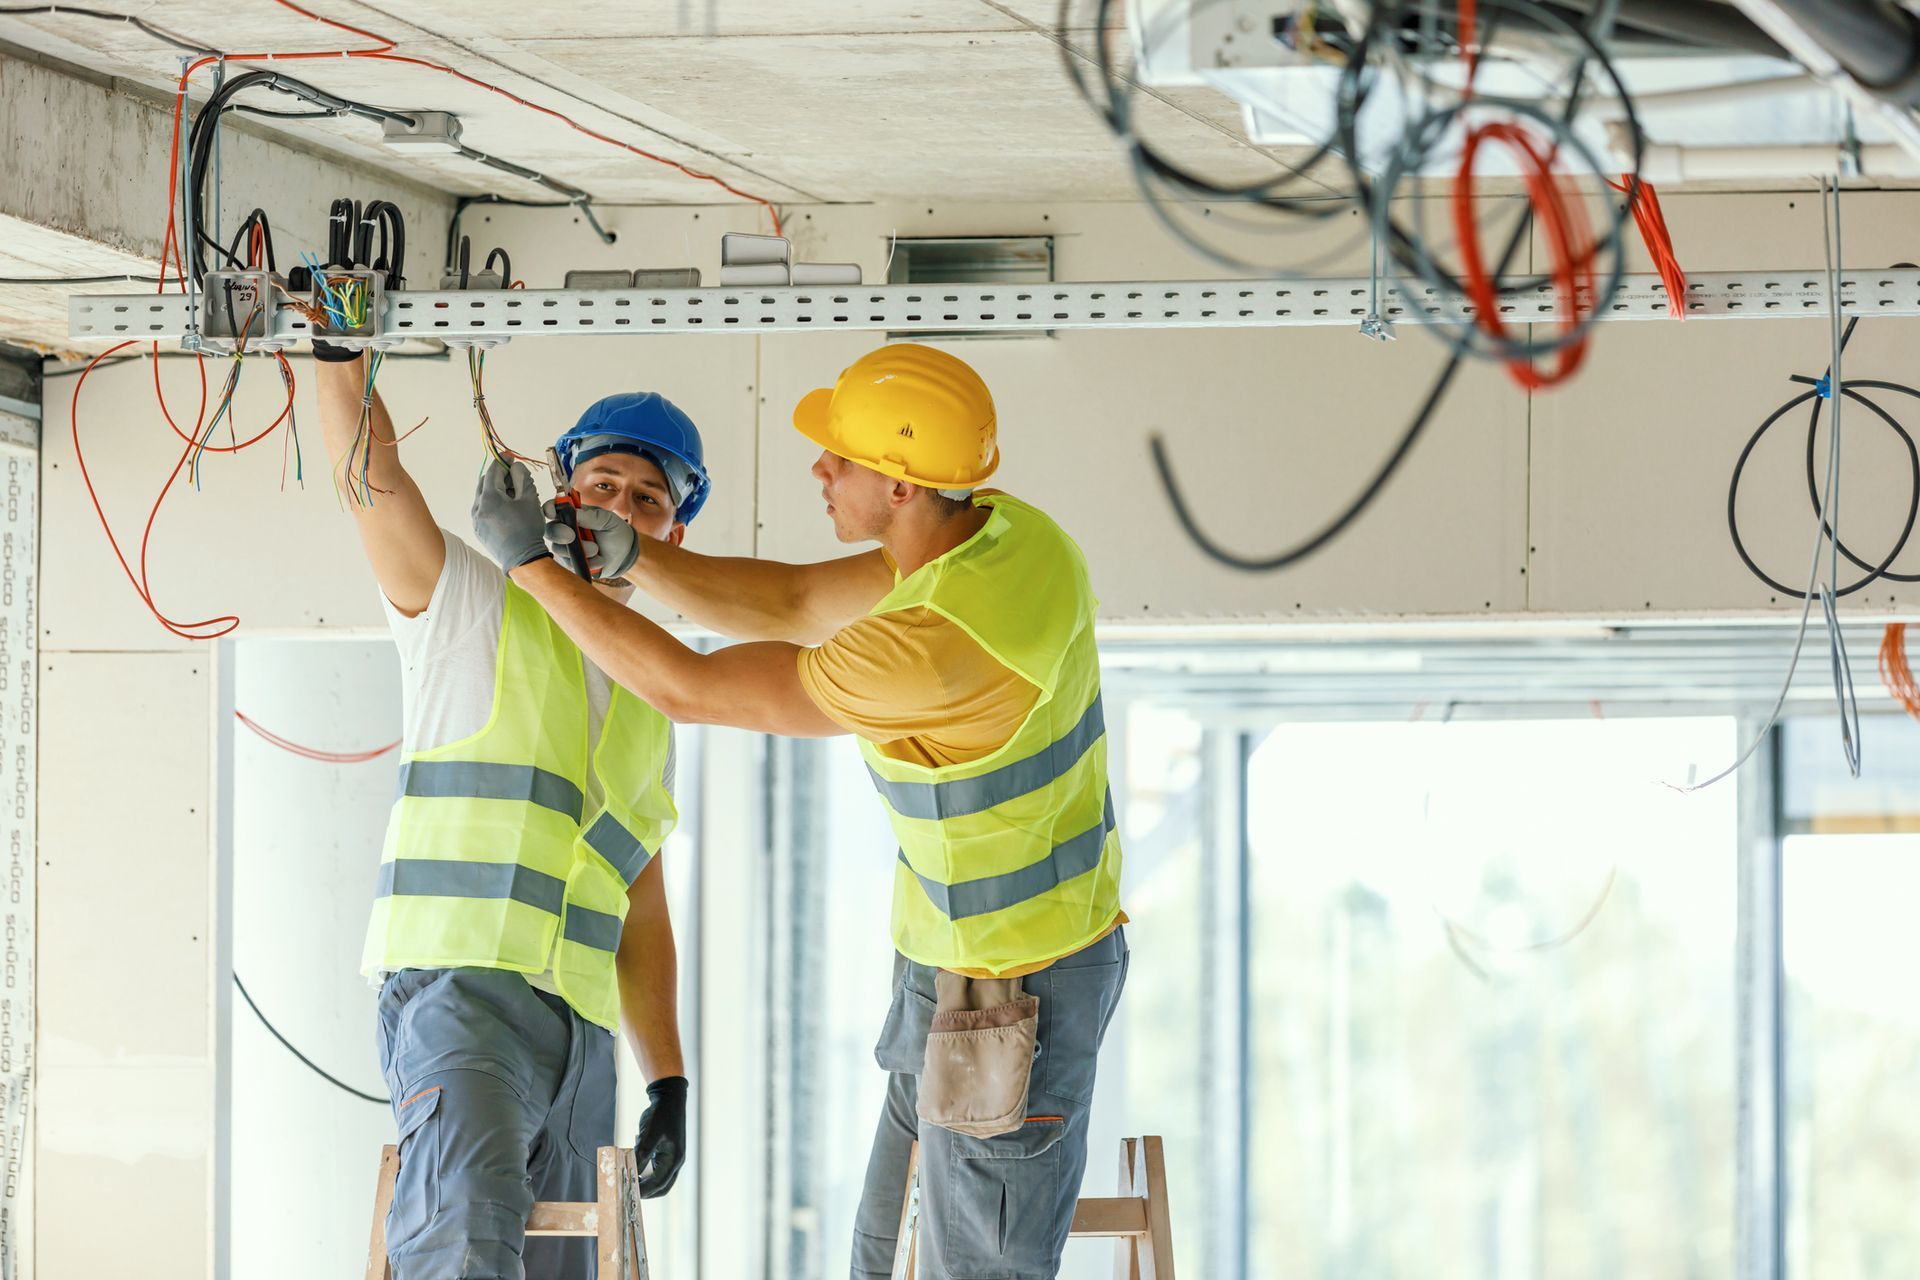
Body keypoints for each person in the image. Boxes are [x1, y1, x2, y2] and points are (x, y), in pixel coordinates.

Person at [469, 343, 1127, 1280]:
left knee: (974, 1267)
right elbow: (792, 596)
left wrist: (534, 567)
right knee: (878, 1250)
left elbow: (692, 689)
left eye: (843, 459)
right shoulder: (1006, 538)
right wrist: (635, 556)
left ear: (902, 485)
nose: (820, 467)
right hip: (950, 959)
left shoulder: (929, 651)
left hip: (1017, 986)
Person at [314, 349, 704, 1279]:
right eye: (600, 481)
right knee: (461, 1254)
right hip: (463, 1000)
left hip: (579, 1036)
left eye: (646, 498)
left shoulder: (657, 689)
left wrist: (668, 1077)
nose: (616, 506)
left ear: (674, 536)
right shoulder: (471, 604)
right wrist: (337, 357)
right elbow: (373, 485)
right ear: (559, 498)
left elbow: (636, 901)